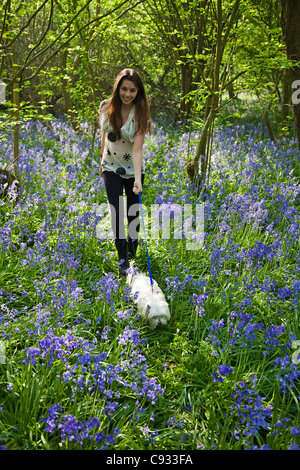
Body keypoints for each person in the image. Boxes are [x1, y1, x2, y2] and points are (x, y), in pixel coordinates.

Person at [99, 68, 151, 275]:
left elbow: (137, 150)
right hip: (110, 167)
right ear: (117, 88)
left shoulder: (141, 115)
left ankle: (132, 246)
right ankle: (122, 259)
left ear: (138, 92)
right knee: (116, 210)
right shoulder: (105, 107)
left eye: (132, 90)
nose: (127, 94)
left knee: (133, 213)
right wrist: (101, 162)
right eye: (124, 89)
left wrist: (138, 179)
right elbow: (103, 135)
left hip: (132, 170)